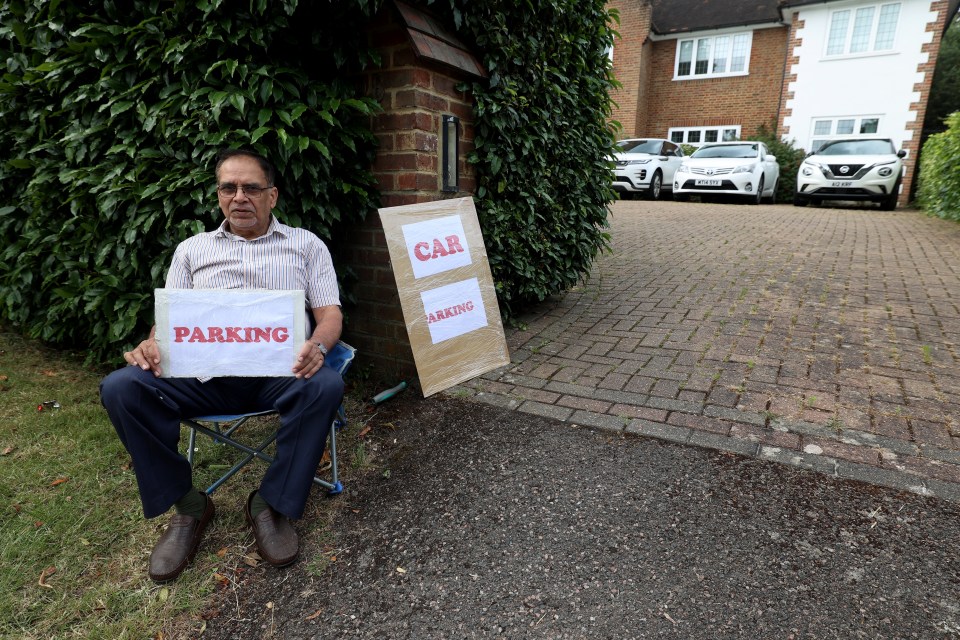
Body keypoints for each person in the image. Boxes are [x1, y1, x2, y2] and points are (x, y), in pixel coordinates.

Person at [100, 148, 344, 582]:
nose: (239, 197)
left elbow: (330, 315)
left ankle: (270, 504)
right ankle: (190, 505)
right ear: (218, 196)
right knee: (121, 387)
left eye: (251, 187)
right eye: (228, 188)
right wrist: (152, 345)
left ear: (273, 196)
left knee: (323, 386)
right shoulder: (193, 250)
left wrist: (319, 347)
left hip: (278, 376)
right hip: (203, 378)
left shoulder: (306, 246)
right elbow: (171, 321)